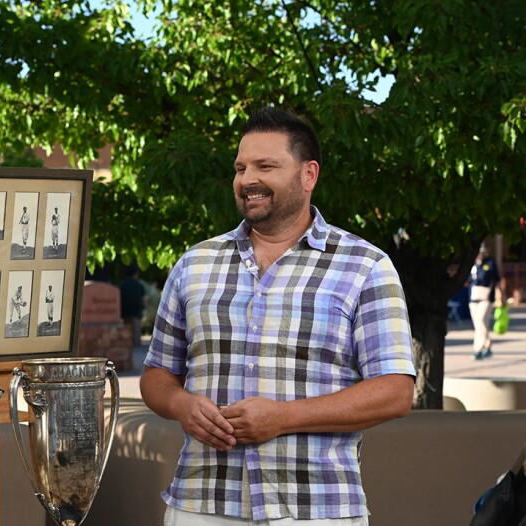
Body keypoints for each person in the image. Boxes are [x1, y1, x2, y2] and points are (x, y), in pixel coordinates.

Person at [140, 106, 415, 525]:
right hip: (202, 505)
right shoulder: (194, 264)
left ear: (309, 175)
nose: (248, 179)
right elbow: (156, 376)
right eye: (241, 167)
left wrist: (282, 418)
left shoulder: (365, 266)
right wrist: (181, 404)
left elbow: (395, 391)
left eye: (266, 166)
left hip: (316, 508)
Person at [468, 243, 503, 360]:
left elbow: (497, 280)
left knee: (480, 321)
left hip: (486, 297)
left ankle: (477, 349)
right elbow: (469, 281)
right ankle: (488, 346)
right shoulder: (473, 264)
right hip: (473, 297)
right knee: (480, 324)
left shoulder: (490, 263)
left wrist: (501, 295)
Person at [119, 265, 147, 348]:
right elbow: (143, 301)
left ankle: (127, 344)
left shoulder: (122, 285)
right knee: (136, 333)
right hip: (137, 312)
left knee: (126, 331)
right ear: (135, 274)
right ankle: (136, 344)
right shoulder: (139, 285)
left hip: (125, 313)